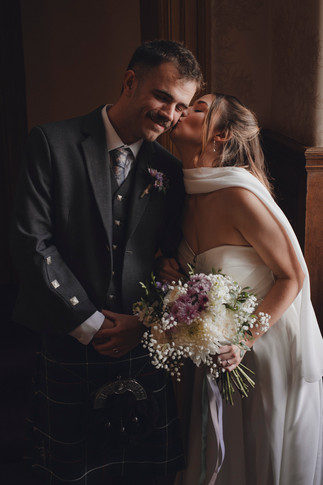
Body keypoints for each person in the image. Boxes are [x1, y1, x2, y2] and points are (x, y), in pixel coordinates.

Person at [10, 40, 203, 485]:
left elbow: (170, 259)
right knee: (70, 471)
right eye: (163, 97)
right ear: (130, 81)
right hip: (70, 335)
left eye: (181, 106)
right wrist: (90, 322)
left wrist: (147, 321)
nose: (170, 115)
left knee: (141, 471)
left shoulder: (168, 169)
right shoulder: (52, 142)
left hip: (140, 343)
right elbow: (31, 243)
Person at [168, 93, 323, 485]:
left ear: (220, 135)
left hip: (259, 349)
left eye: (198, 108)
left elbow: (293, 276)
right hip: (216, 352)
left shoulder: (239, 194)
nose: (183, 110)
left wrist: (243, 338)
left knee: (256, 458)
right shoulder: (186, 193)